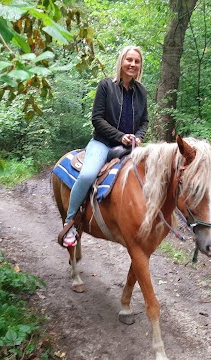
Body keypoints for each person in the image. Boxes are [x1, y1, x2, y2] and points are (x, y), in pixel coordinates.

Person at [60, 45, 149, 247]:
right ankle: (70, 222)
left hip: (131, 147)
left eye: (137, 61)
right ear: (121, 61)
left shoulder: (141, 91)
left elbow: (144, 121)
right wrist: (120, 136)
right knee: (87, 174)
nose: (133, 64)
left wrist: (138, 136)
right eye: (129, 60)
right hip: (103, 143)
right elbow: (97, 119)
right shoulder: (106, 86)